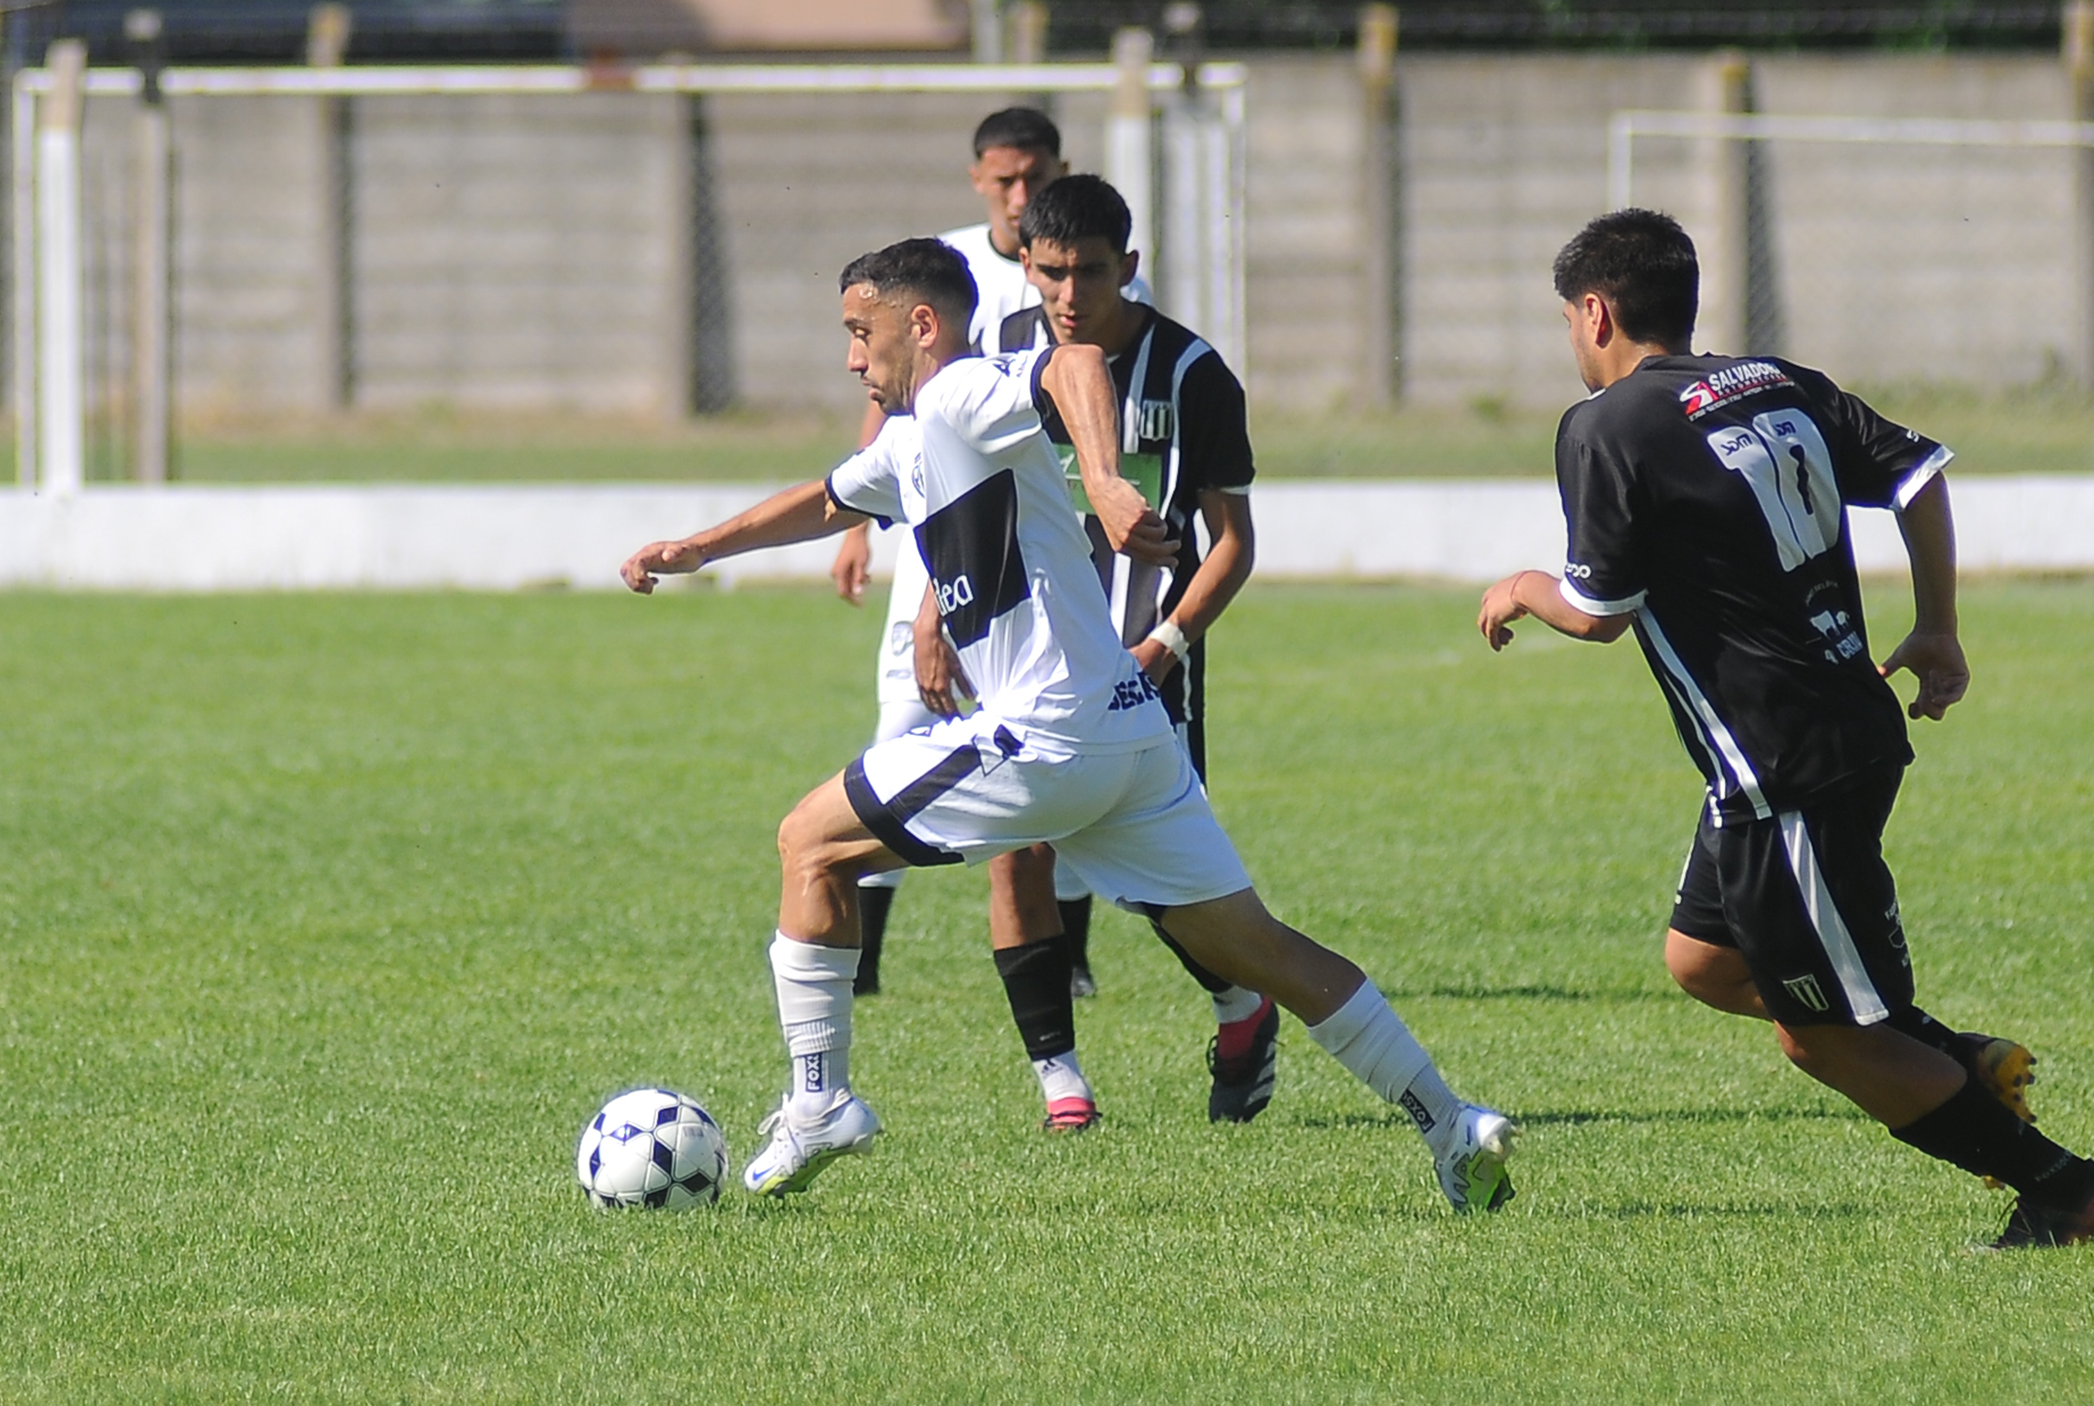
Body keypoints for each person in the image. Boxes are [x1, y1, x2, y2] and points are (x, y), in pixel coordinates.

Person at [623, 237, 1517, 1212]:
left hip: (1045, 732)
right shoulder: (916, 440)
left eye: (858, 331)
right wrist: (699, 547)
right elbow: (827, 497)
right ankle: (1450, 1118)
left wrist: (1099, 471)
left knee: (810, 842)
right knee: (1263, 950)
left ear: (919, 324)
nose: (851, 357)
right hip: (1130, 738)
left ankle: (820, 1100)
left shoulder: (963, 391)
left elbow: (1075, 361)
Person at [1476, 208, 2090, 1250]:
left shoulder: (1606, 426)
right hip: (1817, 741)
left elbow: (1599, 612)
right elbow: (1919, 474)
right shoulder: (1775, 383)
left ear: (1594, 311)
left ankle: (2064, 1186)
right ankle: (1960, 1058)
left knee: (1824, 1038)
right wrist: (1937, 626)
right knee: (1703, 960)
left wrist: (1523, 585)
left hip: (1784, 771)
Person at [926, 173, 1272, 1130]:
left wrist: (1162, 645)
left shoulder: (1195, 375)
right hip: (1027, 663)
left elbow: (1234, 542)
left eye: (1086, 273)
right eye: (1048, 275)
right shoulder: (999, 360)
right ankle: (1060, 1081)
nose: (1067, 296)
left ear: (1129, 266)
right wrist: (930, 610)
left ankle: (1242, 1003)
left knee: (1165, 889)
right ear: (1025, 269)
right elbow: (963, 495)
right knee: (1015, 848)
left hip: (1147, 662)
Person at [828, 107, 1132, 999]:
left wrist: (1107, 484)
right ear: (977, 181)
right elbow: (888, 402)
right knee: (901, 727)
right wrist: (858, 524)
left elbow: (1078, 375)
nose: (1018, 193)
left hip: (1032, 547)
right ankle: (865, 966)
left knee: (1056, 744)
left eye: (1032, 175)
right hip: (936, 544)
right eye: (1002, 179)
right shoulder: (943, 270)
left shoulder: (1073, 273)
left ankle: (1066, 958)